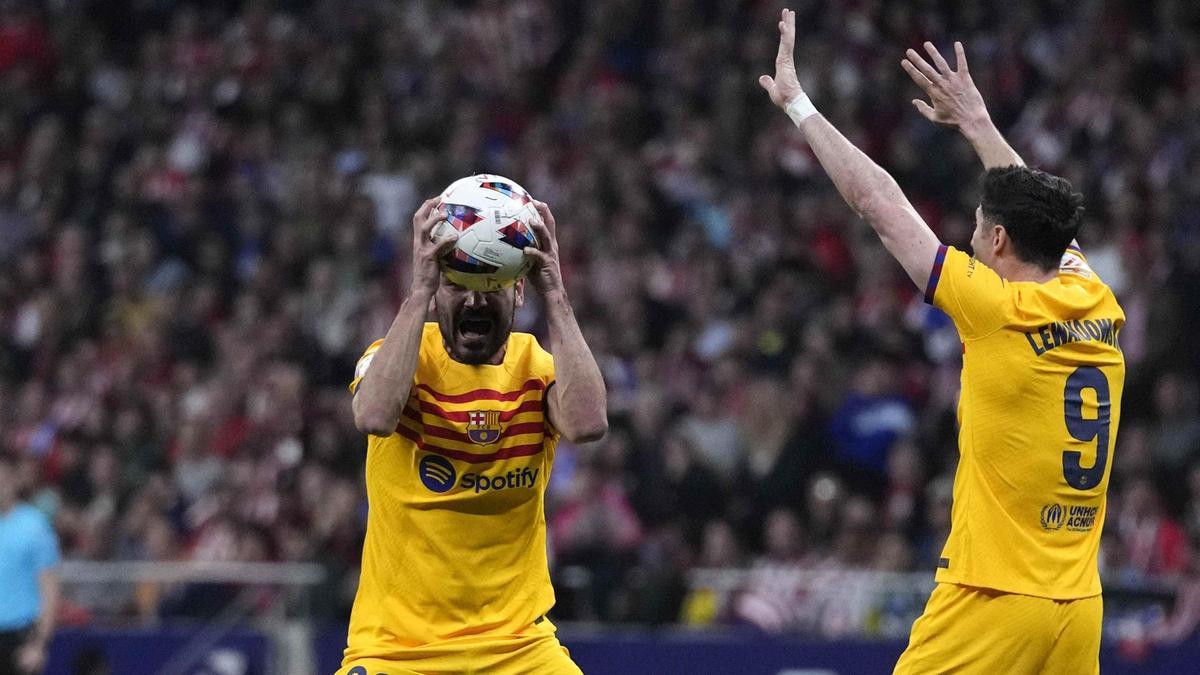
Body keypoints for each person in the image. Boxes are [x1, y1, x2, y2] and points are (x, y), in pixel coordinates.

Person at [760, 10, 1125, 674]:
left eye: (979, 226)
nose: (971, 235)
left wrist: (799, 105)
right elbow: (1042, 214)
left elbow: (877, 201)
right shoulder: (1094, 294)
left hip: (991, 598)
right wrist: (979, 125)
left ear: (999, 242)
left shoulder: (993, 306)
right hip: (1077, 605)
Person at [337, 196, 608, 674]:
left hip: (518, 649)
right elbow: (375, 415)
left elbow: (588, 424)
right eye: (458, 286)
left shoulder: (537, 368)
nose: (476, 301)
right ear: (438, 291)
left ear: (518, 293)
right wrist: (419, 289)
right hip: (397, 652)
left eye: (493, 287)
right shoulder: (398, 356)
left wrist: (556, 293)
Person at [0, 454, 60, 675]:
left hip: (20, 636)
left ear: (14, 481)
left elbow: (50, 590)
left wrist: (40, 644)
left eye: (3, 479)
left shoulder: (35, 526)